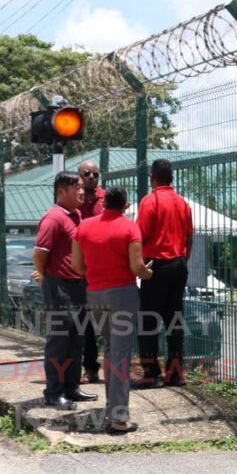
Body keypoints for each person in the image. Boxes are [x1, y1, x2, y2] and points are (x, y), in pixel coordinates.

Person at [71, 187, 154, 434]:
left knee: (110, 348)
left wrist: (96, 274)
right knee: (120, 354)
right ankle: (118, 417)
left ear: (104, 202)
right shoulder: (129, 228)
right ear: (126, 205)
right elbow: (137, 267)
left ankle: (111, 406)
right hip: (123, 295)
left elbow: (77, 265)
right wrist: (148, 273)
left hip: (94, 294)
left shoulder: (84, 226)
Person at [31, 172, 97, 410]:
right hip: (59, 287)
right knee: (59, 341)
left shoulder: (76, 215)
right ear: (61, 191)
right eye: (77, 187)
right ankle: (54, 392)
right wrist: (46, 277)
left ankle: (71, 387)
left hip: (78, 287)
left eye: (82, 187)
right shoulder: (53, 218)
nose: (82, 191)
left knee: (75, 341)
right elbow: (39, 253)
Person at [135, 159, 193, 389]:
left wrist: (139, 265)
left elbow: (139, 235)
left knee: (148, 320)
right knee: (174, 319)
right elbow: (190, 237)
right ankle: (175, 373)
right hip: (179, 264)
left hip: (157, 264)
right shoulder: (182, 203)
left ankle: (151, 373)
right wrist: (183, 259)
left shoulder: (150, 201)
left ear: (152, 178)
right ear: (172, 177)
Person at [77, 159, 105, 384]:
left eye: (95, 174)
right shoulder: (74, 199)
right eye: (87, 173)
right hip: (80, 269)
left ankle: (113, 366)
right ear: (80, 176)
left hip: (102, 267)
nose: (92, 177)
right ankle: (91, 368)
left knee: (107, 319)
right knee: (84, 322)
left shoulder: (105, 199)